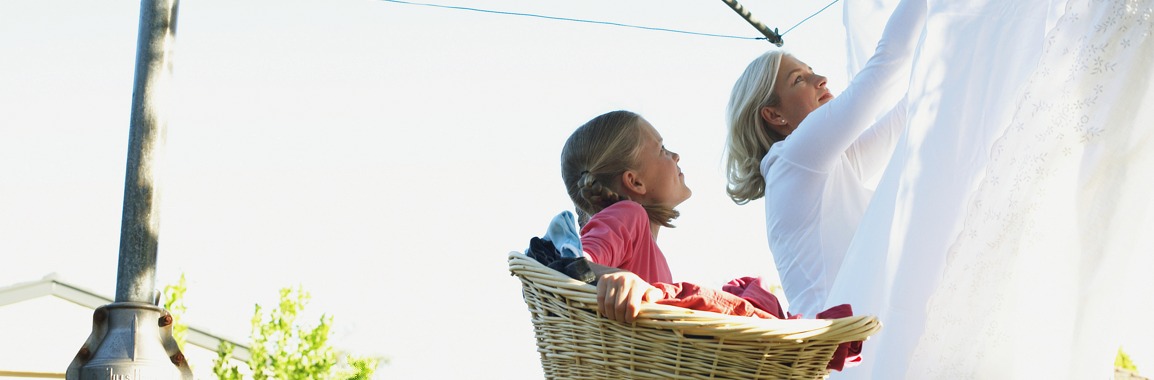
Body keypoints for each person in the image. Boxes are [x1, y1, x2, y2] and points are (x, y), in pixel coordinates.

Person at [722, 0, 925, 317]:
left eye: (811, 71)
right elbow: (885, 68)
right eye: (799, 80)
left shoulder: (820, 166)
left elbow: (910, 111)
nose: (821, 79)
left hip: (849, 336)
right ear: (774, 115)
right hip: (832, 347)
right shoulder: (792, 159)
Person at [559, 110, 690, 324]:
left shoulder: (647, 246)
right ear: (635, 182)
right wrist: (616, 277)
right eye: (662, 149)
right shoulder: (629, 214)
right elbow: (569, 264)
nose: (675, 156)